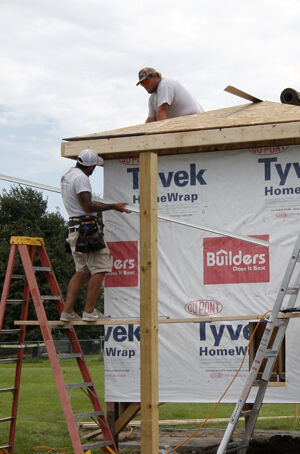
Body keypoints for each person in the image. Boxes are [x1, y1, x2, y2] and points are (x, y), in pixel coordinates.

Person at [60, 149, 129, 322]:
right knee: (100, 268)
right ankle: (89, 311)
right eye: (94, 167)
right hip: (86, 230)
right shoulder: (81, 179)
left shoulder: (68, 175)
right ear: (90, 166)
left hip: (75, 229)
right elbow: (88, 207)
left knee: (81, 271)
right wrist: (114, 206)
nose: (94, 170)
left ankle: (67, 312)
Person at [137, 67, 203, 123]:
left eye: (146, 81)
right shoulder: (152, 98)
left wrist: (163, 134)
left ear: (156, 76)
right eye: (142, 84)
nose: (145, 85)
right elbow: (151, 120)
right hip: (181, 124)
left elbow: (162, 109)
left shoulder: (165, 85)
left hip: (195, 121)